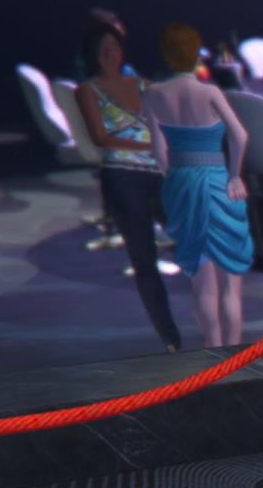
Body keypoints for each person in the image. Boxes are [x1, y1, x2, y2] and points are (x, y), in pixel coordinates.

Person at [67, 17, 185, 350]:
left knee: (190, 241)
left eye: (114, 47)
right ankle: (170, 339)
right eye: (103, 49)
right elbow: (100, 137)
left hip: (160, 174)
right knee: (144, 260)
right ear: (93, 54)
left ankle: (211, 318)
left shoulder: (144, 84)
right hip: (122, 177)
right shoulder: (88, 90)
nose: (110, 54)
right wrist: (148, 144)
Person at [142, 25, 253, 347]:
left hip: (182, 182)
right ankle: (234, 352)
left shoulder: (152, 94)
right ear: (196, 53)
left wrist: (173, 176)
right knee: (230, 282)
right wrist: (235, 175)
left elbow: (158, 148)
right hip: (218, 183)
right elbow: (240, 135)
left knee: (202, 282)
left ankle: (213, 349)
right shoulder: (210, 93)